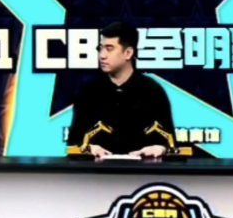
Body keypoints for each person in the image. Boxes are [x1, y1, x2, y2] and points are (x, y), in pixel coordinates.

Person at [67, 22, 177, 159]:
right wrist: (88, 148)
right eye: (100, 48)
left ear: (128, 53)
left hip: (143, 169)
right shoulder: (88, 91)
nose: (102, 55)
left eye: (109, 49)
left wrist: (161, 148)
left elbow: (170, 142)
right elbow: (73, 142)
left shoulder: (152, 91)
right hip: (96, 170)